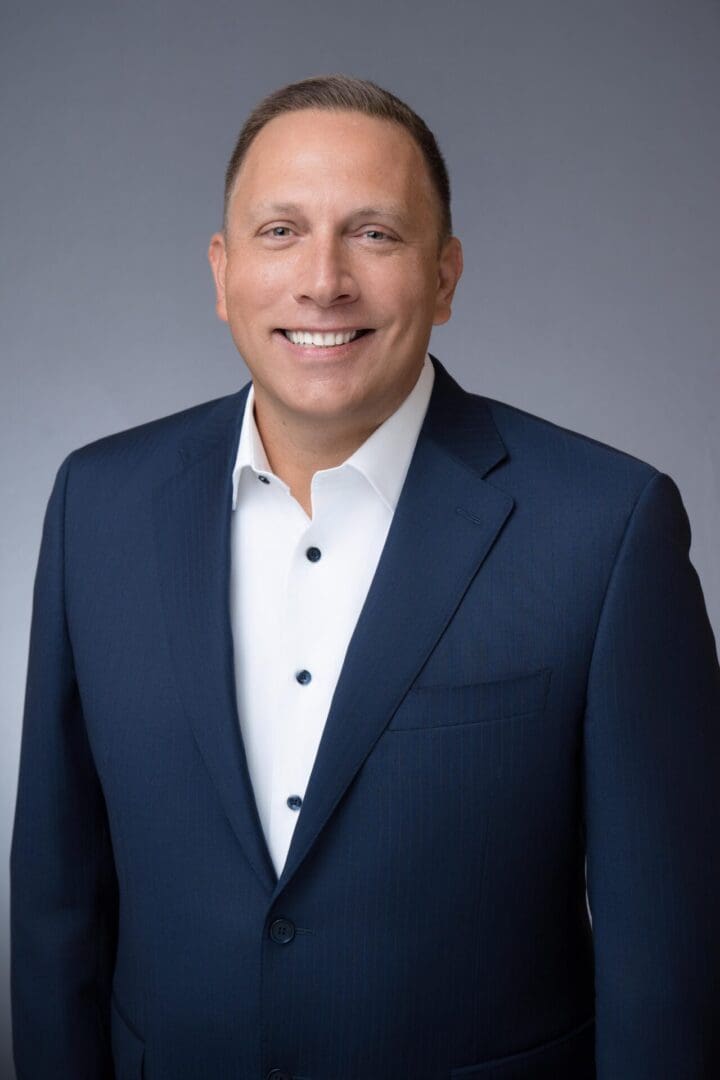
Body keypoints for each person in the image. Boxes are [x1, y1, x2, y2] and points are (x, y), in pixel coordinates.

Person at [10, 73, 720, 1080]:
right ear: (220, 274)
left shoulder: (606, 528)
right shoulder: (98, 504)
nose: (323, 281)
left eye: (375, 234)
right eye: (280, 232)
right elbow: (54, 907)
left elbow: (670, 967)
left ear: (445, 275)